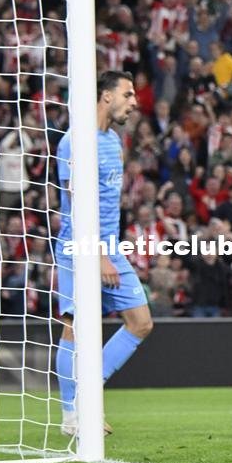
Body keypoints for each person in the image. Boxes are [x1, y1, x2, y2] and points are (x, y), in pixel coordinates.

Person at [54, 71, 154, 436]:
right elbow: (77, 202)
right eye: (128, 95)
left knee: (141, 321)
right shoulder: (75, 141)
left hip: (108, 247)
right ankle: (71, 415)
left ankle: (88, 394)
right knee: (75, 327)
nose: (134, 102)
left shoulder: (113, 141)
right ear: (106, 96)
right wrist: (98, 255)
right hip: (79, 248)